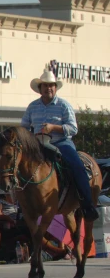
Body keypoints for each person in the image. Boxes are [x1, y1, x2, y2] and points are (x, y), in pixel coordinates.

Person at [22, 70, 99, 221]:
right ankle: (21, 206)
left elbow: (73, 128)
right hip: (38, 144)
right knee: (21, 167)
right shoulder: (32, 107)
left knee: (77, 166)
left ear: (55, 88)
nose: (48, 88)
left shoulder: (64, 105)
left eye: (51, 85)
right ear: (40, 88)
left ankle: (87, 205)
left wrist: (54, 128)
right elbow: (24, 126)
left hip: (60, 142)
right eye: (45, 85)